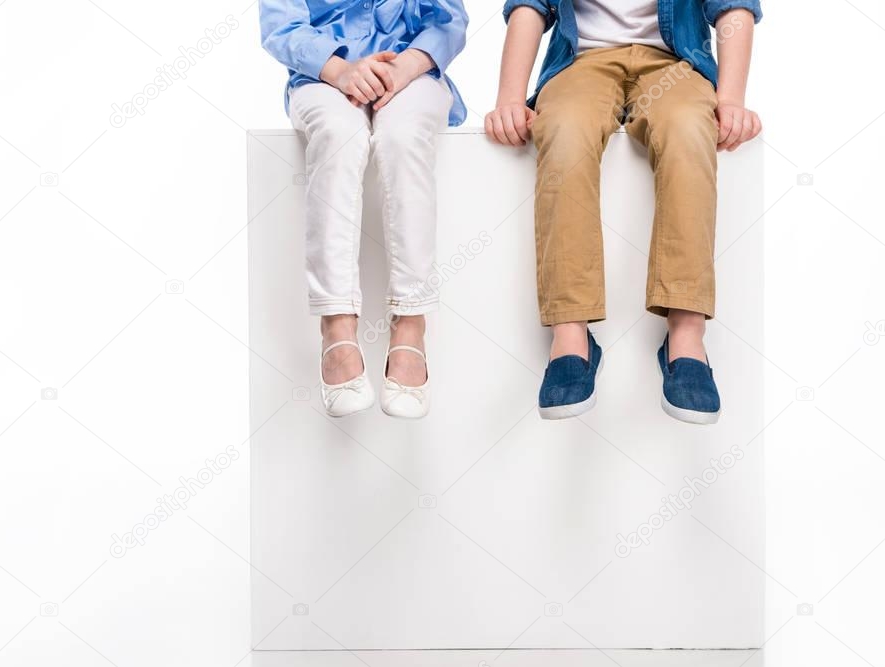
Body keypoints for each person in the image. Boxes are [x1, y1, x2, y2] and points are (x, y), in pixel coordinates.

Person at [485, 0, 762, 424]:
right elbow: (529, 7)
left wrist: (731, 98)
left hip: (677, 62)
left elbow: (734, 8)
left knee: (690, 129)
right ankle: (570, 333)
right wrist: (508, 97)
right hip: (581, 62)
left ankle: (687, 333)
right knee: (563, 133)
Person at [260, 0, 468, 419]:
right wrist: (341, 71)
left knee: (403, 137)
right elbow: (280, 25)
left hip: (412, 71)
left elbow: (449, 19)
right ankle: (336, 323)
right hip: (322, 77)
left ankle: (411, 322)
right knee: (338, 135)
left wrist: (404, 68)